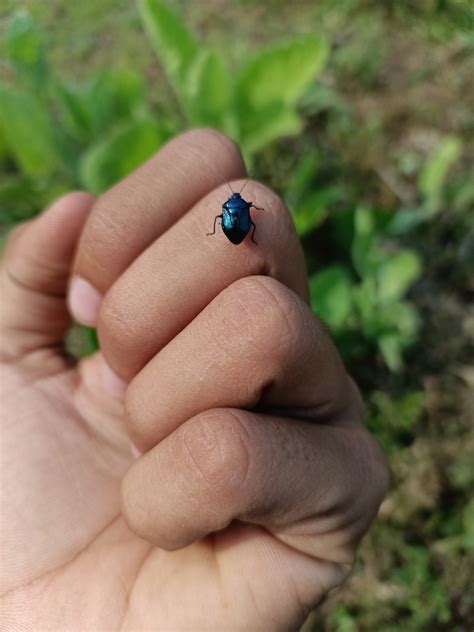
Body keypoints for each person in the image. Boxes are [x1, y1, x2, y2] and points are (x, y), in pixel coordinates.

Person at [0, 129, 388, 630]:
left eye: (238, 205)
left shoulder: (237, 213)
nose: (238, 205)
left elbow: (237, 225)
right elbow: (242, 225)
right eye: (236, 204)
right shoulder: (244, 214)